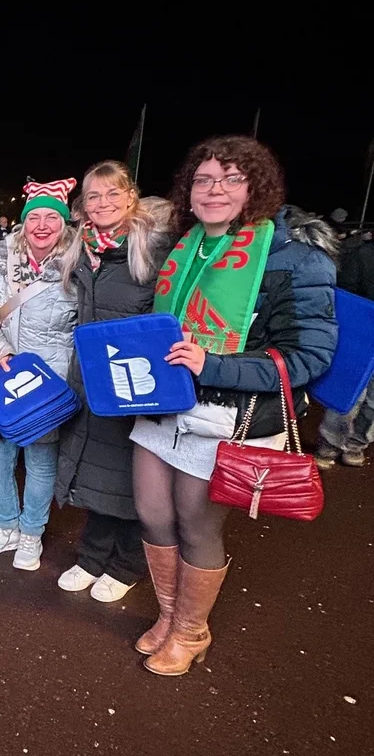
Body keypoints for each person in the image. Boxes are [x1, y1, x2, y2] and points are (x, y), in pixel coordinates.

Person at [131, 136, 337, 676]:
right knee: (153, 513)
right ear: (188, 191)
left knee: (197, 524)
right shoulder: (185, 244)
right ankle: (171, 614)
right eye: (203, 179)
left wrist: (213, 365)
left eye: (231, 178)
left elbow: (308, 356)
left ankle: (191, 631)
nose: (214, 189)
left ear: (256, 187)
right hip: (163, 405)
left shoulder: (294, 256)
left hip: (229, 416)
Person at [55, 160, 172, 603]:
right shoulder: (84, 250)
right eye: (93, 196)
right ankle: (91, 555)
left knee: (132, 475)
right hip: (92, 376)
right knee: (96, 466)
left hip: (135, 378)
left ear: (130, 197)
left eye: (111, 193)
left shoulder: (152, 248)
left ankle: (126, 564)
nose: (102, 203)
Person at [0, 179, 79, 571]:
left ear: (64, 224)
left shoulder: (78, 265)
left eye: (52, 216)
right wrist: (0, 351)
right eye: (34, 216)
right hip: (2, 370)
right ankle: (4, 525)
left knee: (40, 459)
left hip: (49, 378)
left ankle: (32, 531)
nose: (42, 224)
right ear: (22, 222)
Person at [317, 226, 374, 469]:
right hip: (362, 335)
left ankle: (357, 444)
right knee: (349, 395)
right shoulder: (364, 254)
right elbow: (345, 291)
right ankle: (329, 443)